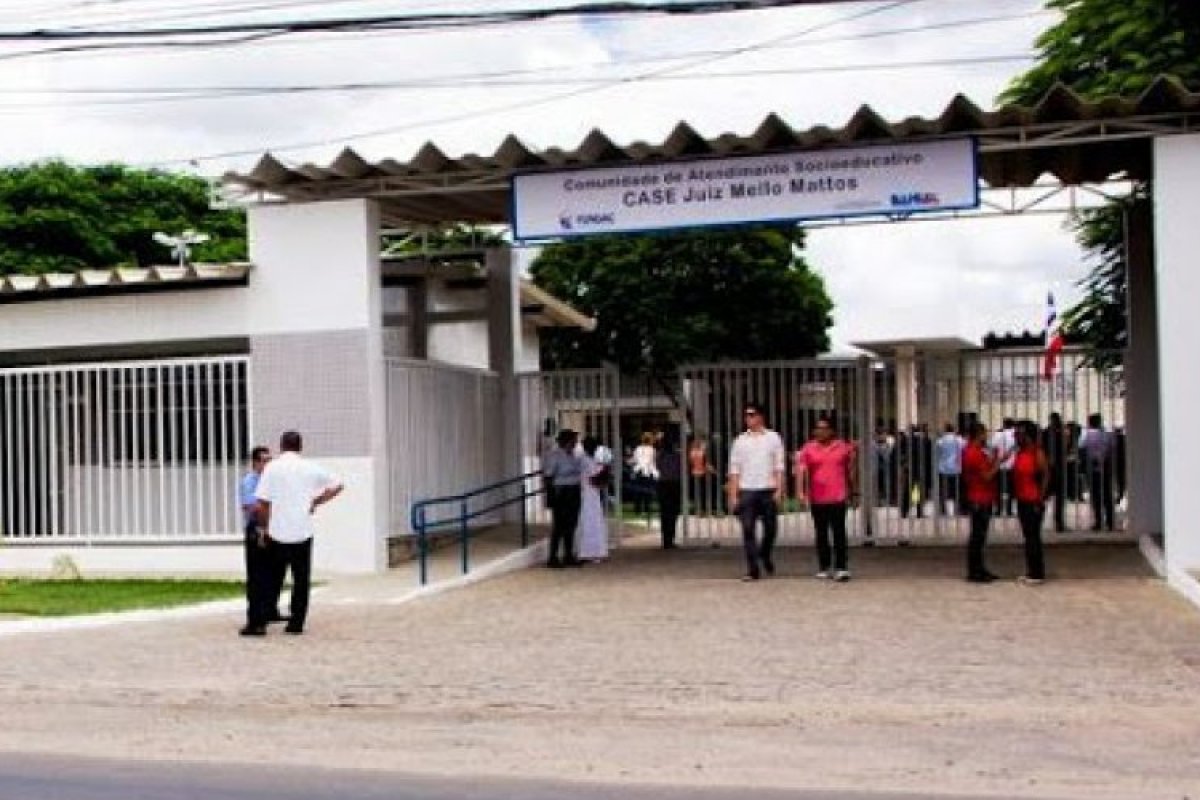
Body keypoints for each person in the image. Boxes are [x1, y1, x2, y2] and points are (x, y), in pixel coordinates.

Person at [248, 430, 344, 636]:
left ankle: (262, 619)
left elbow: (263, 502)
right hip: (302, 531)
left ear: (282, 446)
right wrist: (316, 502)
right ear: (300, 446)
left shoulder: (272, 468)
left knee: (271, 578)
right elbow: (337, 485)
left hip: (277, 532)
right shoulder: (310, 468)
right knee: (301, 579)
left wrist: (264, 528)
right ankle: (296, 622)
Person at [726, 402, 785, 582]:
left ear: (761, 417)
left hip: (767, 488)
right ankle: (753, 569)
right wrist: (733, 495)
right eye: (746, 415)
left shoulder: (773, 438)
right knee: (748, 529)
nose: (748, 418)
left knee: (770, 530)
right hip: (747, 489)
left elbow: (779, 465)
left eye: (752, 415)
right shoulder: (740, 441)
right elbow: (734, 470)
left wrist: (779, 489)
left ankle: (764, 554)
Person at [795, 416, 856, 582]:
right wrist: (801, 492)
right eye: (817, 428)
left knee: (839, 533)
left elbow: (850, 471)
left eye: (824, 428)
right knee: (821, 533)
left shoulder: (843, 447)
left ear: (832, 431)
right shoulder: (809, 448)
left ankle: (841, 567)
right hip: (818, 497)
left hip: (838, 496)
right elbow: (801, 471)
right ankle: (824, 566)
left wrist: (852, 491)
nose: (819, 432)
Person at [239, 445, 284, 631]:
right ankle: (256, 619)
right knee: (257, 575)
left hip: (274, 528)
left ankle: (271, 609)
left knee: (275, 572)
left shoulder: (273, 482)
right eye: (264, 460)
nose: (268, 464)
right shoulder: (250, 481)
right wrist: (269, 506)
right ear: (255, 462)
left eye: (270, 460)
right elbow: (251, 506)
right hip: (256, 529)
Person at [1012, 420, 1050, 585]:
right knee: (1028, 537)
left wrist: (1040, 498)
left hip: (1033, 500)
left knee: (1033, 537)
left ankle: (1037, 573)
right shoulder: (1020, 452)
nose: (1015, 436)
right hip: (1022, 499)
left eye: (1019, 434)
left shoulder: (1036, 452)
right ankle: (1031, 570)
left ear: (1027, 436)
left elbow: (1045, 475)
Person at [961, 422, 999, 583]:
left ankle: (979, 569)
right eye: (984, 433)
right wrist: (997, 465)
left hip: (979, 497)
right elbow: (986, 476)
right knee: (978, 537)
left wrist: (995, 458)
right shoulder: (974, 453)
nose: (986, 436)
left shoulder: (972, 451)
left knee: (978, 537)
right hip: (980, 498)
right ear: (979, 434)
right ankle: (975, 571)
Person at [542, 428, 583, 568]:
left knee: (571, 525)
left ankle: (568, 555)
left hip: (574, 491)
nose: (576, 443)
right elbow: (548, 476)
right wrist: (550, 496)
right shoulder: (554, 455)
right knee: (559, 526)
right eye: (574, 440)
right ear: (567, 441)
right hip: (561, 491)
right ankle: (552, 557)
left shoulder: (574, 455)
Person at [575, 436, 609, 562]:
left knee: (594, 522)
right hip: (587, 493)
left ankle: (594, 551)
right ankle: (586, 551)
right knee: (587, 521)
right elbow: (593, 478)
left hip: (592, 494)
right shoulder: (584, 460)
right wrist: (603, 472)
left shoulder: (590, 459)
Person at [1080, 412, 1115, 531]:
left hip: (1093, 469)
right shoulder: (1107, 435)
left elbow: (1082, 449)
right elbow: (1112, 451)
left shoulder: (1087, 436)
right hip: (1105, 468)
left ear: (1090, 423)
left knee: (1096, 497)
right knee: (1107, 497)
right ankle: (1110, 522)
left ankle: (1098, 522)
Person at [1040, 412, 1068, 532]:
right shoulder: (1061, 432)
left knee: (1044, 496)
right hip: (1058, 468)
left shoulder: (1045, 432)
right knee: (1059, 498)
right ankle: (1059, 523)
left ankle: (1039, 521)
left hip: (1049, 468)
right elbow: (1066, 448)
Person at [656, 430, 683, 549]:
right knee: (673, 512)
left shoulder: (660, 455)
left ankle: (666, 540)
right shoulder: (677, 455)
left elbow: (658, 467)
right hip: (674, 484)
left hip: (663, 484)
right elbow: (680, 469)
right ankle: (670, 538)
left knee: (665, 512)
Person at [934, 422, 964, 516]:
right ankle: (957, 509)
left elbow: (937, 455)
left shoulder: (940, 441)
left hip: (943, 468)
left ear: (945, 430)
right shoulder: (959, 440)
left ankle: (943, 510)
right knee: (957, 490)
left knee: (943, 491)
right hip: (957, 468)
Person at [990, 418, 1017, 516]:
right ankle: (1009, 510)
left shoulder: (998, 435)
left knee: (998, 489)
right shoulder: (1015, 435)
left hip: (999, 465)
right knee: (1011, 489)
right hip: (1012, 465)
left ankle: (998, 510)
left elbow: (992, 447)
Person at [628, 431, 659, 514]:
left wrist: (629, 462)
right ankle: (646, 509)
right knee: (647, 492)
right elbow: (652, 462)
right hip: (647, 472)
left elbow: (634, 460)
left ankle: (638, 509)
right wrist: (656, 473)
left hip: (638, 471)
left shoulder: (638, 449)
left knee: (638, 492)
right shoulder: (652, 450)